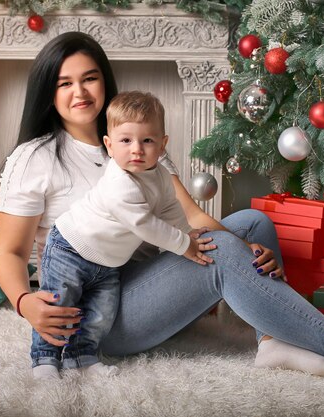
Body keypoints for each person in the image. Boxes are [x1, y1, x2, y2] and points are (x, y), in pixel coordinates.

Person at [0, 31, 324, 380]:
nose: (80, 92)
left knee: (250, 223)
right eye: (64, 83)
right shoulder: (37, 158)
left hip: (146, 279)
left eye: (89, 78)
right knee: (222, 251)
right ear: (49, 92)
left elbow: (193, 219)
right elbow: (9, 253)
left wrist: (243, 248)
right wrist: (24, 302)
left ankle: (273, 342)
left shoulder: (139, 141)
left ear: (104, 81)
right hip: (97, 315)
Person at [33, 91, 210, 378]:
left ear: (163, 144)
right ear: (109, 145)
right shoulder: (119, 182)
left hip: (108, 263)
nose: (137, 149)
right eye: (126, 141)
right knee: (59, 305)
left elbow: (169, 211)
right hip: (71, 248)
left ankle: (81, 358)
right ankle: (44, 358)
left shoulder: (162, 177)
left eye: (147, 140)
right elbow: (146, 225)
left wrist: (187, 231)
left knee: (100, 315)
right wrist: (184, 245)